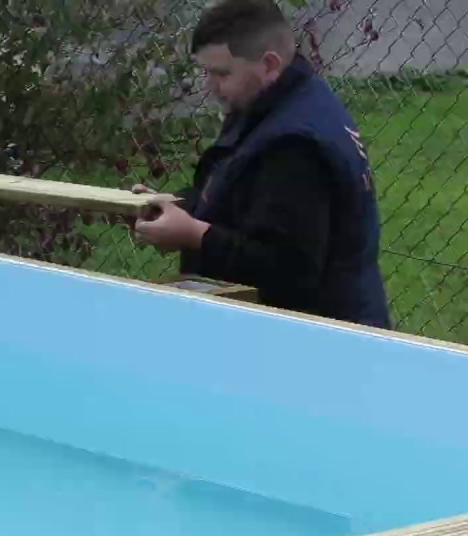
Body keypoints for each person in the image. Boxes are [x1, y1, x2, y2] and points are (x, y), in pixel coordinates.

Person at [132, 0, 391, 328]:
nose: (209, 86)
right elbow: (237, 189)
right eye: (206, 72)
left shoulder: (295, 149)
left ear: (268, 64)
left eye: (221, 73)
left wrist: (194, 235)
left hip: (321, 338)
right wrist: (175, 206)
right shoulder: (276, 100)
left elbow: (288, 270)